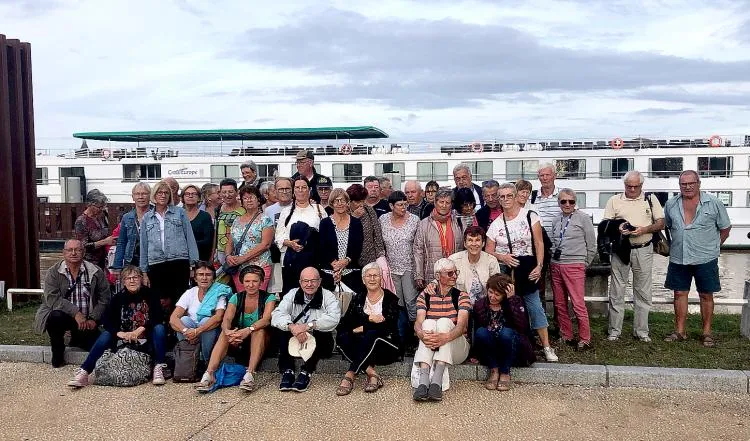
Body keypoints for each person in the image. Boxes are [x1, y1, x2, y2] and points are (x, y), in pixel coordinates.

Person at [485, 183, 558, 362]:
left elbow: (539, 243)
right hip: (507, 271)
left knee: (534, 306)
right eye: (502, 197)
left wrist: (539, 266)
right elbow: (488, 250)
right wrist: (502, 257)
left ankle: (546, 346)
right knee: (509, 308)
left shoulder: (530, 215)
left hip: (527, 267)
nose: (505, 199)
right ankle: (517, 343)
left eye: (509, 195)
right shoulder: (496, 224)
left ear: (516, 195)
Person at [66, 265, 167, 388]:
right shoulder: (118, 298)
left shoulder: (151, 294)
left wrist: (140, 330)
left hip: (146, 336)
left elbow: (158, 317)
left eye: (135, 277)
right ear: (123, 281)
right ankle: (84, 371)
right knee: (106, 334)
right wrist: (120, 333)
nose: (132, 281)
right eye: (128, 278)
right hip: (124, 338)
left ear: (141, 279)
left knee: (159, 329)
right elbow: (107, 321)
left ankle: (159, 367)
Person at [664, 170, 731, 347]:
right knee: (679, 293)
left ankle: (707, 333)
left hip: (706, 258)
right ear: (679, 185)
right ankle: (680, 331)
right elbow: (668, 226)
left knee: (706, 294)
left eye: (691, 183)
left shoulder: (714, 203)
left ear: (698, 183)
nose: (687, 187)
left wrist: (714, 247)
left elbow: (725, 228)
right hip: (679, 257)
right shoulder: (671, 204)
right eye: (683, 184)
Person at [602, 170, 665, 343]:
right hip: (621, 249)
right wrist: (619, 228)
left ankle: (641, 331)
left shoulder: (651, 199)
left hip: (644, 248)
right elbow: (606, 225)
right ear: (624, 185)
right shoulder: (614, 200)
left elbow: (661, 223)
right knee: (617, 290)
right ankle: (614, 331)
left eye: (635, 186)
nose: (631, 189)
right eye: (628, 186)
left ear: (641, 185)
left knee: (643, 291)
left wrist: (645, 229)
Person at [196, 265, 277, 392]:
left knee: (259, 330)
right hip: (238, 341)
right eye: (247, 281)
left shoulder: (268, 298)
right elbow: (227, 319)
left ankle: (249, 375)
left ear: (261, 282)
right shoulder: (236, 297)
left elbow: (266, 320)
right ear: (242, 282)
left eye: (255, 281)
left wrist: (248, 330)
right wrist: (228, 332)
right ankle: (209, 374)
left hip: (261, 341)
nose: (251, 285)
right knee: (224, 333)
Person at [34, 239, 112, 368]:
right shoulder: (54, 272)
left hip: (87, 320)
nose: (74, 253)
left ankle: (77, 338)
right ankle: (57, 352)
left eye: (78, 250)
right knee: (55, 317)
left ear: (84, 252)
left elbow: (105, 298)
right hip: (64, 316)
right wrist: (75, 313)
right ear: (63, 253)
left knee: (103, 347)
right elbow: (52, 298)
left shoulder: (95, 272)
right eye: (70, 250)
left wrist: (94, 319)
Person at [271, 267, 341, 392]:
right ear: (300, 282)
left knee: (321, 332)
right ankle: (288, 370)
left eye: (313, 281)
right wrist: (292, 327)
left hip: (320, 342)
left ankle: (306, 371)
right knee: (283, 329)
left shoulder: (328, 296)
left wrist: (308, 326)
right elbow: (277, 314)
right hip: (296, 339)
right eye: (306, 281)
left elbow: (334, 318)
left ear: (319, 282)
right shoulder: (292, 294)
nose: (309, 284)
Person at [335, 263, 401, 395]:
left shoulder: (390, 299)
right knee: (342, 337)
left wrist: (363, 327)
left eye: (375, 275)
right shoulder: (359, 298)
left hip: (385, 347)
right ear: (363, 280)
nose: (372, 279)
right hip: (362, 347)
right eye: (368, 276)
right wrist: (370, 318)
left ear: (381, 278)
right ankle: (372, 373)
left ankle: (350, 374)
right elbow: (346, 324)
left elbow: (388, 327)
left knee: (372, 334)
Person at [412, 258, 471, 402]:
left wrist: (445, 338)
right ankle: (424, 383)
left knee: (444, 322)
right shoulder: (425, 296)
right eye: (450, 273)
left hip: (457, 348)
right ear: (438, 276)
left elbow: (461, 327)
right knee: (427, 324)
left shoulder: (462, 296)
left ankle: (436, 382)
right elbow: (418, 322)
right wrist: (420, 334)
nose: (454, 276)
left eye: (456, 272)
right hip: (434, 346)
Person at [140, 180, 199, 313]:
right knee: (159, 302)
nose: (163, 195)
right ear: (154, 195)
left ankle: (178, 325)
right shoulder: (147, 218)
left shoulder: (180, 212)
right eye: (159, 192)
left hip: (179, 262)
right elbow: (144, 245)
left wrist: (193, 265)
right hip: (156, 263)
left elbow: (190, 238)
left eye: (166, 193)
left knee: (180, 300)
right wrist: (144, 271)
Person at [549, 189, 596, 350]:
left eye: (571, 201)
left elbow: (592, 245)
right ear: (559, 203)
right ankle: (566, 334)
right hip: (556, 265)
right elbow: (554, 242)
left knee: (578, 304)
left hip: (574, 265)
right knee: (559, 303)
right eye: (563, 201)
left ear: (575, 202)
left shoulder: (583, 218)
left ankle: (585, 338)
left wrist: (584, 264)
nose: (567, 204)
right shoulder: (556, 219)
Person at [473, 273, 535, 391]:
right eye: (490, 292)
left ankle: (505, 372)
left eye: (497, 294)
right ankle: (494, 370)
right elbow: (477, 330)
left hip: (511, 346)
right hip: (491, 347)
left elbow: (522, 327)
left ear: (505, 294)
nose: (492, 297)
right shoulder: (480, 304)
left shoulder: (515, 301)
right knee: (481, 332)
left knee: (506, 333)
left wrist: (512, 300)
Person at [380, 190, 421, 346]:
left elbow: (419, 245)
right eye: (400, 205)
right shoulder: (383, 219)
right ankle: (401, 337)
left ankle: (416, 335)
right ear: (391, 206)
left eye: (405, 204)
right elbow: (379, 242)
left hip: (409, 266)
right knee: (397, 303)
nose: (404, 207)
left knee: (411, 301)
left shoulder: (414, 220)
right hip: (390, 268)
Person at [275, 176, 328, 295]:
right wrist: (290, 243)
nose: (300, 190)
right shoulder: (286, 211)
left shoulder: (319, 209)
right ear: (293, 191)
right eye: (297, 187)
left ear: (309, 190)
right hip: (291, 261)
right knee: (291, 294)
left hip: (314, 260)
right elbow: (278, 237)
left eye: (303, 187)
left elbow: (325, 234)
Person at [169, 262, 228, 362]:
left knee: (205, 320)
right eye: (201, 274)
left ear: (213, 278)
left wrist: (197, 331)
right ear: (195, 278)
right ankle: (188, 359)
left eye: (208, 275)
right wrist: (186, 332)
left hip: (210, 331)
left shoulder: (219, 292)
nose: (204, 278)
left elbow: (218, 318)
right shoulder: (190, 292)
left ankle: (207, 361)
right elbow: (173, 319)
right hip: (190, 332)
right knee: (184, 320)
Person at [413, 188, 465, 292]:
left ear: (451, 204)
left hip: (455, 274)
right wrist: (419, 275)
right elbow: (418, 251)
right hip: (432, 274)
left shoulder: (459, 222)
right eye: (441, 202)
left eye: (447, 202)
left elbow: (465, 248)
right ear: (435, 202)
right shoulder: (424, 224)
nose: (444, 205)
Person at [225, 185, 273, 291]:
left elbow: (266, 244)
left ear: (258, 200)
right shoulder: (236, 220)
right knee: (242, 296)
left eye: (252, 197)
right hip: (239, 267)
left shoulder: (265, 220)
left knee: (257, 296)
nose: (249, 200)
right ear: (242, 202)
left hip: (259, 266)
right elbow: (230, 242)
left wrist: (243, 258)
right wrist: (228, 256)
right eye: (245, 198)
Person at [318, 188, 364, 293]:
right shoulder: (325, 223)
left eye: (342, 200)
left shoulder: (356, 223)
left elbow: (358, 246)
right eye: (336, 201)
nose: (339, 204)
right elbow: (322, 246)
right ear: (332, 203)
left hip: (351, 272)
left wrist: (346, 261)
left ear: (347, 202)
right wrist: (335, 264)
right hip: (329, 272)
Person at [448, 226, 501, 306]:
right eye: (470, 240)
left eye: (477, 240)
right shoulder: (453, 260)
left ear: (483, 243)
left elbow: (496, 286)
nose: (474, 244)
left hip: (484, 306)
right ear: (465, 244)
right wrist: (433, 284)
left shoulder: (491, 261)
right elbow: (443, 280)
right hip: (459, 305)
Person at [112, 182, 151, 273]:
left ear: (150, 196)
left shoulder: (156, 214)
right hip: (131, 261)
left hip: (152, 260)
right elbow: (121, 242)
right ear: (133, 197)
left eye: (144, 194)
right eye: (137, 194)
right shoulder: (126, 217)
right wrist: (117, 266)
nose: (140, 197)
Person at [74, 189, 116, 270]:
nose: (102, 209)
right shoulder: (81, 221)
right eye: (99, 207)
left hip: (103, 261)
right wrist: (104, 242)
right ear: (90, 205)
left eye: (103, 206)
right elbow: (83, 246)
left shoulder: (101, 216)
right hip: (89, 264)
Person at [347, 184, 385, 267]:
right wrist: (354, 217)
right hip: (349, 260)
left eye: (362, 201)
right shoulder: (344, 212)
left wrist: (381, 256)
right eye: (357, 202)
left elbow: (377, 234)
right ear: (349, 201)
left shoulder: (369, 210)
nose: (361, 204)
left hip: (369, 259)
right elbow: (343, 234)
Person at [183, 184, 215, 262]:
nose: (190, 196)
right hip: (181, 258)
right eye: (187, 194)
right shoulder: (177, 215)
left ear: (199, 197)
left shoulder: (205, 216)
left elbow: (208, 240)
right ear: (182, 198)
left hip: (200, 258)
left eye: (194, 194)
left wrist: (185, 244)